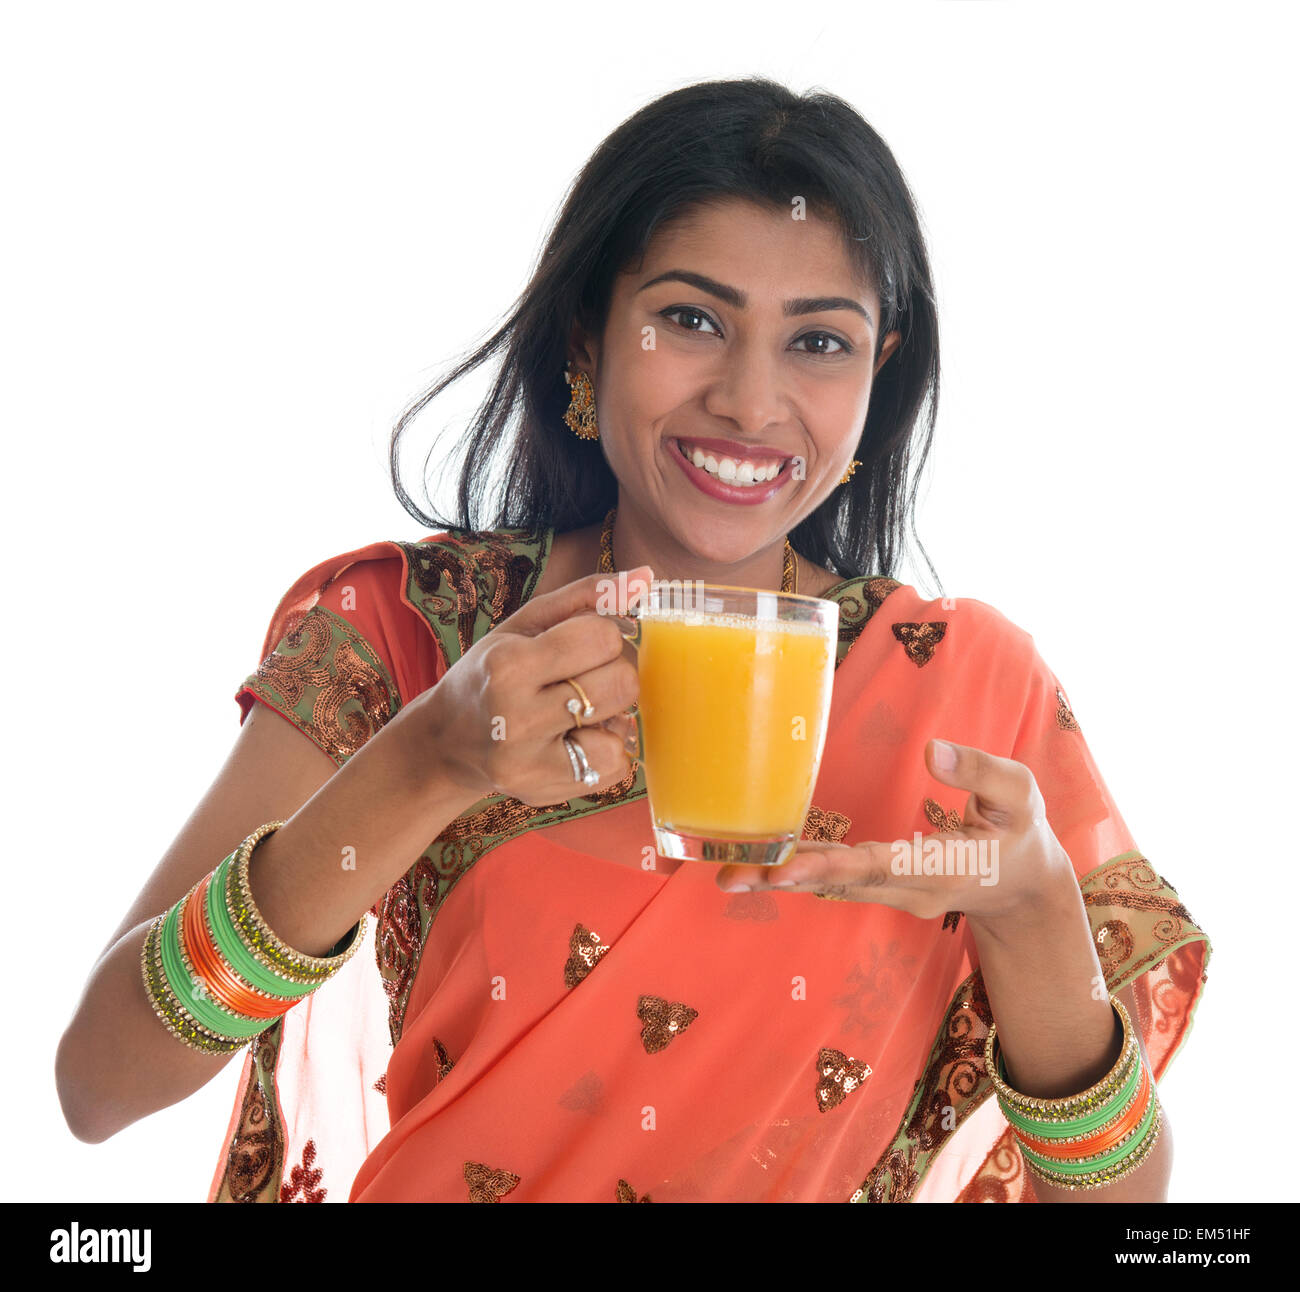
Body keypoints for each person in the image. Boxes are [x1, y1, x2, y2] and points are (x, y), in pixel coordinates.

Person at [56, 76, 1210, 1203]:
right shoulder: (411, 633)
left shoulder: (964, 688)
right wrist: (427, 761)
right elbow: (99, 1083)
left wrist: (1034, 920)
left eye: (818, 343)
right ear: (584, 336)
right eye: (691, 319)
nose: (752, 403)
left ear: (877, 375)